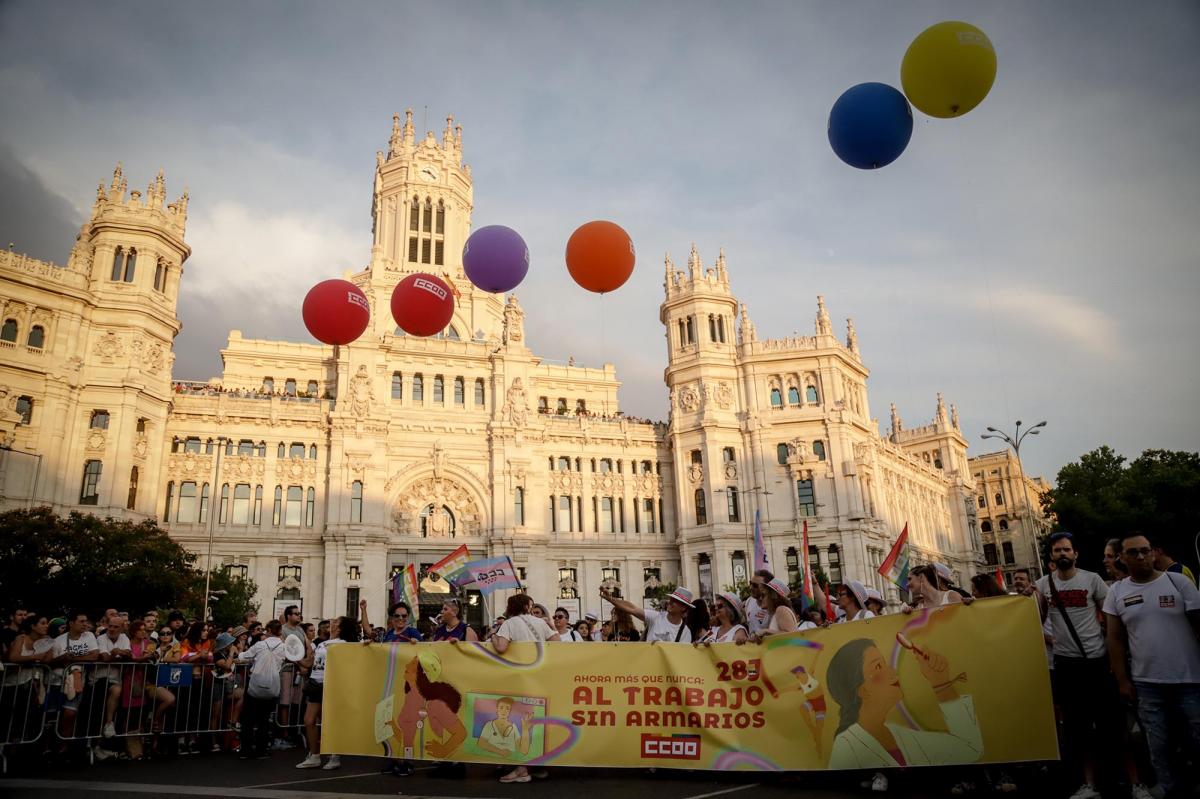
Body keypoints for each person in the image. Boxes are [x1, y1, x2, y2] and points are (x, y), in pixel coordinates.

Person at [1104, 531, 1200, 799]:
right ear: (1123, 558)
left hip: (1190, 681)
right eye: (1133, 552)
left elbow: (1198, 624)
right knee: (1159, 747)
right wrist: (1122, 680)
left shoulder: (1178, 582)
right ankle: (1172, 791)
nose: (1141, 556)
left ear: (1153, 551)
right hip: (1148, 686)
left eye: (1145, 550)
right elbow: (1114, 639)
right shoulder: (1117, 592)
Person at [1036, 532, 1123, 799]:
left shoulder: (1092, 580)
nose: (1062, 554)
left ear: (1075, 554)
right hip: (1066, 666)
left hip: (1096, 662)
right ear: (1051, 556)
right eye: (1057, 550)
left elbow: (1111, 618)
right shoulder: (1042, 585)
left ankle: (1120, 780)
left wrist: (1112, 654)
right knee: (1077, 730)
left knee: (1111, 726)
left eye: (1067, 550)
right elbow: (1031, 620)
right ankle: (1088, 784)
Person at [826, 637, 982, 776]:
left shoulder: (903, 737)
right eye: (878, 666)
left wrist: (940, 682)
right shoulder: (846, 746)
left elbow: (970, 749)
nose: (893, 672)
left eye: (885, 664)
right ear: (862, 690)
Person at [491, 595, 558, 783]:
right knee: (534, 720)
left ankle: (522, 769)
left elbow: (501, 647)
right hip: (541, 677)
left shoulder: (510, 623)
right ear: (527, 605)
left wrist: (494, 636)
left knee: (520, 720)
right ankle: (528, 766)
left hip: (520, 678)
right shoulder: (539, 622)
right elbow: (558, 643)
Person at [297, 615, 359, 770]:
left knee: (329, 721)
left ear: (341, 628)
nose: (332, 622)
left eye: (336, 622)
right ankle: (314, 756)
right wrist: (293, 656)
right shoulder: (322, 643)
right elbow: (309, 663)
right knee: (309, 720)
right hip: (315, 683)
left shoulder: (344, 644)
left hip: (331, 685)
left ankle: (334, 755)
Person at [236, 619, 285, 760]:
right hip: (272, 686)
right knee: (264, 719)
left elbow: (244, 656)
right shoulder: (283, 647)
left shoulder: (260, 645)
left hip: (256, 685)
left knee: (249, 719)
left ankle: (246, 750)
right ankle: (261, 750)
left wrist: (239, 651)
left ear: (269, 630)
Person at [602, 586, 695, 643]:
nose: (670, 602)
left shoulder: (685, 632)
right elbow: (632, 608)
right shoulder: (656, 617)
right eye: (671, 599)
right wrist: (611, 599)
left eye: (675, 601)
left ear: (683, 607)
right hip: (649, 673)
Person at [745, 570, 773, 636]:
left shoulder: (774, 605)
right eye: (750, 583)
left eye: (755, 585)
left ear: (766, 587)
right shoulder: (749, 601)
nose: (751, 587)